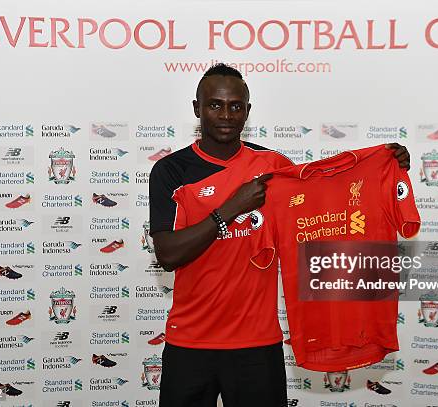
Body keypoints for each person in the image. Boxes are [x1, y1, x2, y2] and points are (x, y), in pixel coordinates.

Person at [149, 63, 411, 407]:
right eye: (215, 105)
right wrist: (231, 208)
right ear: (197, 109)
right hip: (190, 344)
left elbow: (327, 198)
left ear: (248, 111)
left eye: (235, 106)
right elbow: (168, 255)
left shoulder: (274, 168)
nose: (225, 114)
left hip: (257, 346)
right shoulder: (171, 170)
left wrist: (383, 166)